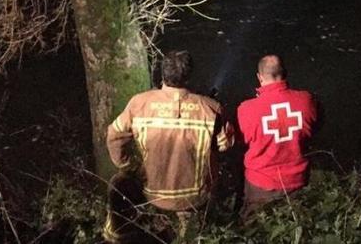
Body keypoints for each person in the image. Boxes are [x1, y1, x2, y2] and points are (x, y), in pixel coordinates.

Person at [105, 50, 233, 240]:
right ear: (188, 77)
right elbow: (225, 144)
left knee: (118, 183)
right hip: (195, 197)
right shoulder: (210, 108)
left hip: (152, 193)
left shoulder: (139, 103)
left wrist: (127, 165)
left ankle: (116, 236)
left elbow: (114, 135)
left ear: (163, 74)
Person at [237, 54, 319, 216]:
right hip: (298, 181)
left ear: (259, 77)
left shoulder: (247, 109)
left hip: (260, 184)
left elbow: (243, 140)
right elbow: (314, 128)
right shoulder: (306, 100)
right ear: (285, 73)